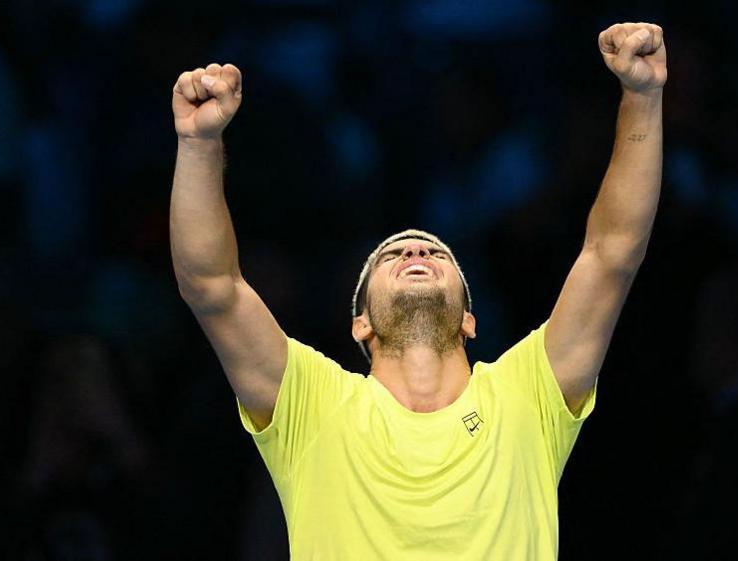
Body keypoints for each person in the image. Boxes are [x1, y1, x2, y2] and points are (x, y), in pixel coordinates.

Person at [169, 21, 665, 561]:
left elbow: (611, 254)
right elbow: (213, 286)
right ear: (361, 323)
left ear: (470, 321)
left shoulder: (527, 394)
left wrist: (642, 96)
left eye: (436, 254)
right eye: (393, 255)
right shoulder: (314, 405)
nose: (416, 253)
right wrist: (198, 143)